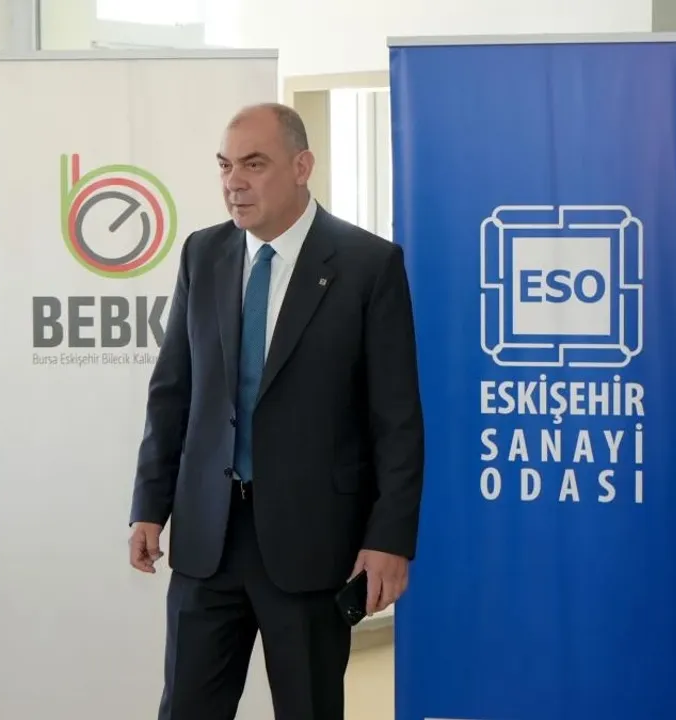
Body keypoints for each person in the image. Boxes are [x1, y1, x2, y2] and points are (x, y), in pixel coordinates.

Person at [128, 102, 425, 720]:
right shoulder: (202, 254)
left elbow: (396, 420)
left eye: (254, 164)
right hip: (208, 540)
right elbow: (173, 392)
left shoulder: (368, 265)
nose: (234, 182)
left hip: (314, 544)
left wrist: (389, 539)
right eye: (225, 165)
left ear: (301, 166)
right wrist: (149, 506)